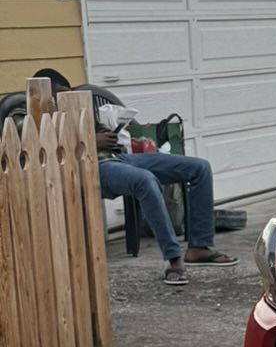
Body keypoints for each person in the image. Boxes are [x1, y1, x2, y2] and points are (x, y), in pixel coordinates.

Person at [34, 69, 237, 286]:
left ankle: (199, 247)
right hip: (94, 167)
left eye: (66, 93)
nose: (60, 100)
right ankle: (174, 258)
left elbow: (101, 131)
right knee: (144, 180)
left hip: (121, 158)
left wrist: (110, 134)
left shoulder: (76, 107)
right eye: (57, 95)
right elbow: (43, 151)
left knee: (200, 168)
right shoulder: (29, 117)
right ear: (42, 92)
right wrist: (92, 142)